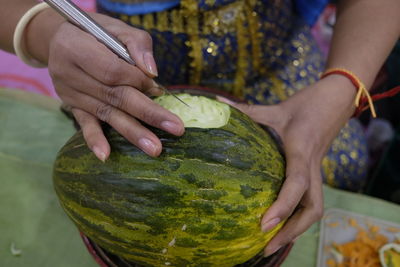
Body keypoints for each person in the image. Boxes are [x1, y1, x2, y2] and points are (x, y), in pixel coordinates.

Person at [1, 0, 400, 258]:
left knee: (336, 178)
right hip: (127, 86)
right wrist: (43, 30)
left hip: (295, 92)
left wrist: (342, 88)